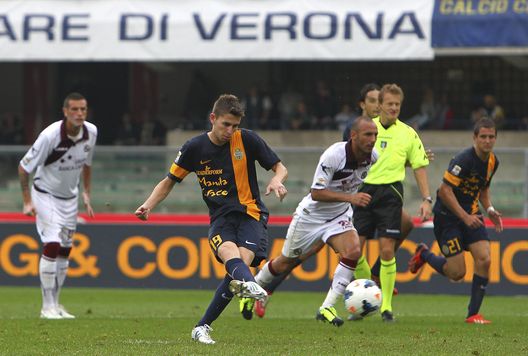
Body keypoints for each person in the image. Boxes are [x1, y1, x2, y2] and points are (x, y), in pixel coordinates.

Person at [251, 83, 432, 320]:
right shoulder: (343, 145)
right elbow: (323, 186)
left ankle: (359, 297)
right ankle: (260, 288)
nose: (379, 105)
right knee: (296, 256)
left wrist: (413, 168)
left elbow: (389, 160)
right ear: (365, 105)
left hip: (359, 205)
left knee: (363, 247)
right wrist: (351, 197)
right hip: (331, 207)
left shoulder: (384, 145)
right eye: (374, 100)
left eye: (383, 101)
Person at [134, 94, 288, 345]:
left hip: (251, 214)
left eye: (235, 126)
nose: (230, 131)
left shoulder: (247, 140)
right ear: (213, 119)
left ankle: (203, 325)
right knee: (230, 255)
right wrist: (147, 205)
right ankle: (251, 286)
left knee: (238, 268)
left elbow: (280, 167)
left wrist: (277, 179)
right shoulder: (194, 148)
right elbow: (169, 181)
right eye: (226, 124)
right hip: (220, 218)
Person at [245, 116, 378, 326]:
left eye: (375, 135)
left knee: (353, 251)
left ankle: (327, 306)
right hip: (311, 217)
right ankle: (252, 289)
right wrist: (351, 198)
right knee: (285, 262)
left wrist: (348, 201)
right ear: (354, 136)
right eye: (368, 135)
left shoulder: (373, 157)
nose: (373, 139)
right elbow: (316, 193)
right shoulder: (334, 155)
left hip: (339, 215)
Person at [408, 117, 502, 324]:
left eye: (491, 137)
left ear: (495, 138)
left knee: (485, 259)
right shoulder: (463, 160)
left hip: (472, 214)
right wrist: (464, 216)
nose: (487, 141)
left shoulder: (493, 162)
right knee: (457, 273)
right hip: (447, 218)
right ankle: (424, 254)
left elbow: (483, 188)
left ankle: (473, 314)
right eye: (483, 137)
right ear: (475, 138)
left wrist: (490, 209)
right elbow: (445, 190)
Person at [353, 83, 432, 322]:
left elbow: (419, 166)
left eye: (397, 104)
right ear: (380, 105)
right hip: (364, 191)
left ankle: (386, 308)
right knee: (355, 251)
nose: (394, 108)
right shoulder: (367, 129)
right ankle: (369, 295)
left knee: (387, 250)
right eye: (389, 104)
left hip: (390, 194)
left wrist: (427, 199)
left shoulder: (408, 133)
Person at [18, 92, 97, 319]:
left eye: (83, 109)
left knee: (65, 250)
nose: (79, 114)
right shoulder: (50, 136)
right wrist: (26, 201)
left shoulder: (91, 132)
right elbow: (24, 168)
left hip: (69, 199)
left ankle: (56, 304)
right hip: (45, 195)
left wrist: (86, 193)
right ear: (65, 112)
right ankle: (46, 307)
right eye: (74, 109)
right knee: (52, 244)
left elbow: (87, 163)